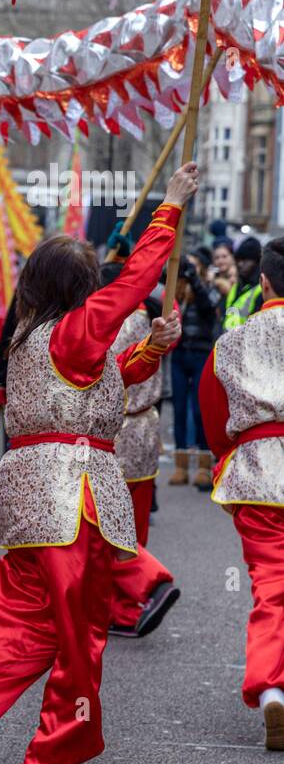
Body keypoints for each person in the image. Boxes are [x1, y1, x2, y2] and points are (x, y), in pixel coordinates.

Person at [0, 163, 195, 764]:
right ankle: (55, 753)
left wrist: (153, 349)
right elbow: (136, 282)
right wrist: (169, 209)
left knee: (23, 615)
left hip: (30, 496)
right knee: (79, 631)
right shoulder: (75, 331)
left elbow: (101, 386)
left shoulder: (33, 335)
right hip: (72, 495)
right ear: (84, 287)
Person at [200, 235, 284, 748]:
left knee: (271, 584)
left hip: (256, 474)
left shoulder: (232, 340)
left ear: (265, 282)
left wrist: (220, 454)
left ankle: (272, 685)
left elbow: (213, 417)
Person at [100, 262, 180, 638]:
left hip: (114, 431)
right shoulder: (154, 318)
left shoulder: (101, 324)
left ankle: (122, 604)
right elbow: (173, 319)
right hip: (147, 426)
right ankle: (133, 601)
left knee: (107, 528)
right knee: (136, 523)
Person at [167, 255, 216, 489]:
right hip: (179, 355)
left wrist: (194, 278)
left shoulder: (208, 287)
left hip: (201, 354)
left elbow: (209, 307)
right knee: (179, 409)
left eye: (195, 265)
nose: (189, 269)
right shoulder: (175, 292)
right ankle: (181, 466)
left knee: (199, 410)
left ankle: (204, 466)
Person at [223, 236, 263, 331]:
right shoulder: (236, 286)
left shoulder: (261, 290)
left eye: (246, 260)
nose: (240, 264)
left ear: (257, 262)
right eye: (238, 260)